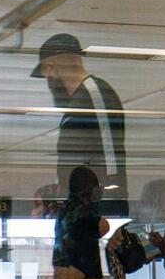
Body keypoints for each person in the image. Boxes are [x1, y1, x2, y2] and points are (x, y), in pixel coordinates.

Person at [30, 33, 127, 214]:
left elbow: (111, 156)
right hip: (81, 208)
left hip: (98, 210)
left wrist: (109, 207)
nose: (49, 82)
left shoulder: (96, 94)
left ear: (53, 67)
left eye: (46, 74)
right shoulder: (77, 103)